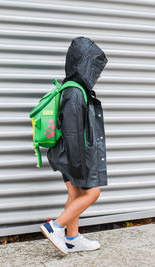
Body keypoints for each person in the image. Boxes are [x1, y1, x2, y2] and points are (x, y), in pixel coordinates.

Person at [40, 36, 108, 255]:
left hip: (66, 154)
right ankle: (55, 226)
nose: (99, 74)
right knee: (92, 193)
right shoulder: (75, 92)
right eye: (96, 67)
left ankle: (72, 238)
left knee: (76, 194)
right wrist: (79, 164)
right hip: (71, 155)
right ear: (85, 64)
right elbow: (72, 132)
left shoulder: (74, 89)